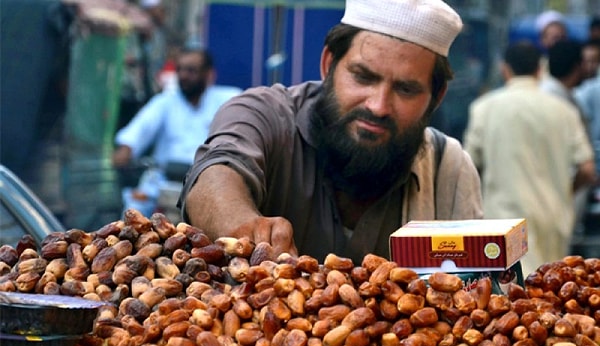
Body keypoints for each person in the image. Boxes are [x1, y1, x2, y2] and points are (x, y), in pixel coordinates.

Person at [178, 0, 484, 264]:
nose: (378, 106)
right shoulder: (265, 114)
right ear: (328, 64)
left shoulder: (449, 172)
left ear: (436, 96)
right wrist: (245, 229)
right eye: (363, 77)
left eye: (405, 89)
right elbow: (216, 174)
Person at [463, 41, 596, 278]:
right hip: (552, 217)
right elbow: (587, 169)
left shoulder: (484, 108)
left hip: (502, 221)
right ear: (539, 69)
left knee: (506, 300)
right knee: (551, 292)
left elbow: (468, 167)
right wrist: (565, 193)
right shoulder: (564, 111)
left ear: (505, 69)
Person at [113, 47, 242, 217]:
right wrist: (126, 149)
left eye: (191, 70)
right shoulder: (165, 102)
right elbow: (140, 128)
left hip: (207, 182)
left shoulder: (228, 99)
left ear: (209, 74)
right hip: (162, 181)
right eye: (179, 69)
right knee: (133, 210)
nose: (183, 76)